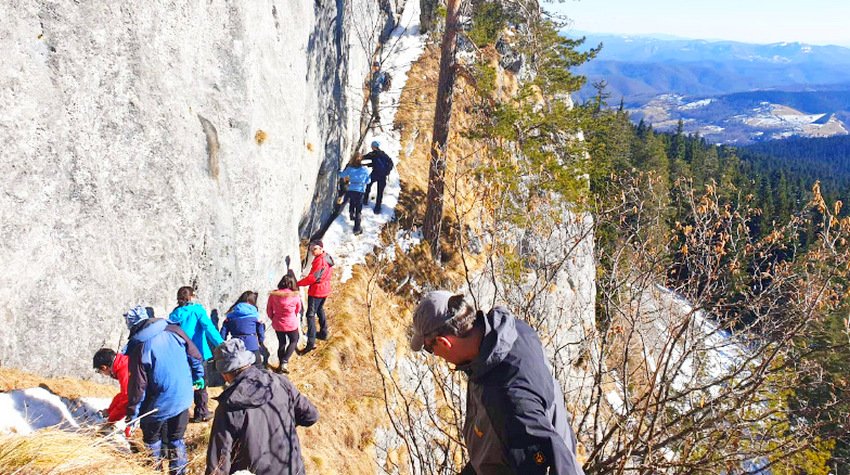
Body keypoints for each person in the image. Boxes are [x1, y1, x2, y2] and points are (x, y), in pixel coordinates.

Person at [410, 291, 586, 475]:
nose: (436, 355)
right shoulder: (511, 334)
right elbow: (495, 443)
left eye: (430, 349)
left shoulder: (507, 398)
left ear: (444, 342)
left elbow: (557, 462)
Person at [206, 339, 319, 475]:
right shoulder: (280, 382)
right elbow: (311, 416)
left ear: (225, 373)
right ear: (248, 362)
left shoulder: (229, 406)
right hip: (293, 469)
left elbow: (218, 462)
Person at [123, 305, 205, 475]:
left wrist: (132, 415)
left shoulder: (139, 347)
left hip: (160, 402)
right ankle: (179, 472)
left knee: (151, 439)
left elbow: (138, 387)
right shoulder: (174, 330)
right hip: (183, 396)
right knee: (176, 439)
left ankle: (155, 471)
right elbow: (195, 356)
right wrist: (199, 376)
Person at [168, 286, 224, 423]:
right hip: (198, 353)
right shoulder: (197, 310)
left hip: (180, 354)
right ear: (191, 297)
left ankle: (182, 414)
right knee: (201, 383)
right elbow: (209, 328)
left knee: (183, 383)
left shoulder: (174, 314)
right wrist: (221, 344)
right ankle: (201, 412)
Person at [296, 240, 334, 354]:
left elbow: (313, 278)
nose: (312, 251)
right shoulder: (326, 257)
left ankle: (311, 343)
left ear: (321, 248)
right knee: (319, 309)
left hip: (317, 291)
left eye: (315, 249)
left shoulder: (320, 261)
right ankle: (323, 333)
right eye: (311, 249)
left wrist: (298, 283)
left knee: (310, 315)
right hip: (325, 288)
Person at [220, 291, 266, 369]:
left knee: (239, 368)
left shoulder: (230, 316)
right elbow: (261, 332)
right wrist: (261, 341)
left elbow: (223, 334)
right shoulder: (255, 316)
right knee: (258, 367)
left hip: (236, 345)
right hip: (252, 344)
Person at [267, 273, 302, 374]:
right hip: (291, 323)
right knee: (294, 340)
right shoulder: (295, 295)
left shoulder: (273, 295)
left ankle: (280, 367)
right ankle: (285, 361)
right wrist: (292, 315)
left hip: (278, 323)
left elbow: (269, 309)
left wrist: (273, 318)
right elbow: (298, 309)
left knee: (282, 343)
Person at [93, 347, 129, 425]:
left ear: (104, 367)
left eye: (99, 371)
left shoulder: (124, 371)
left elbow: (127, 399)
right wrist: (109, 411)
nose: (102, 374)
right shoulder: (124, 363)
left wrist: (111, 421)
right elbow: (123, 395)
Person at [339, 153, 371, 235]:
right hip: (360, 190)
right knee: (358, 209)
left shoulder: (350, 168)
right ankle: (357, 228)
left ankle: (351, 213)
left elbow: (342, 175)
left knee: (352, 202)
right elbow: (368, 181)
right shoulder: (364, 170)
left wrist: (338, 171)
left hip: (351, 188)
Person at [362, 140, 394, 214]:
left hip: (375, 173)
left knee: (368, 185)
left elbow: (365, 158)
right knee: (380, 192)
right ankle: (377, 209)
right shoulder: (384, 155)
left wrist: (358, 160)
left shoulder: (373, 154)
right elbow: (390, 164)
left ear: (373, 147)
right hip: (383, 176)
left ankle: (365, 200)